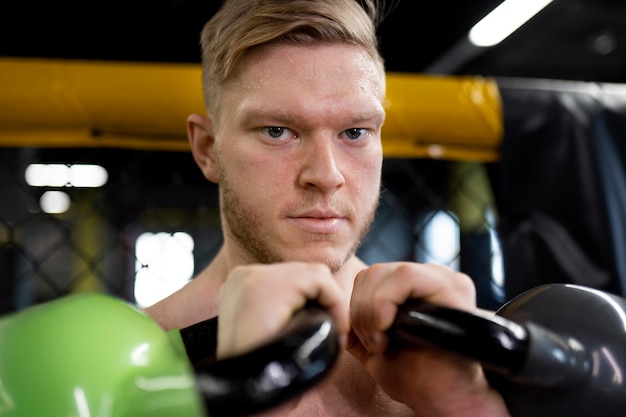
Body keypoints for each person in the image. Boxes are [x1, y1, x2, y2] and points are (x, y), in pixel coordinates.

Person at [145, 0, 511, 415]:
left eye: (355, 131)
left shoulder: (462, 350)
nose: (326, 174)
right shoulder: (133, 362)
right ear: (208, 149)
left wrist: (462, 404)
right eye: (277, 131)